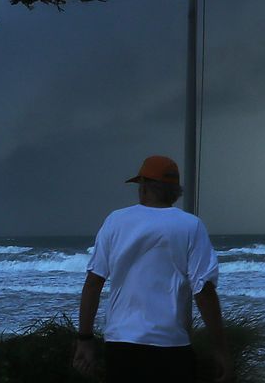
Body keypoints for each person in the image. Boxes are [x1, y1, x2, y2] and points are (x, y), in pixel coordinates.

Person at [73, 155, 231, 383]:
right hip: (171, 347)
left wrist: (85, 339)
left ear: (144, 187)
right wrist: (220, 349)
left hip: (121, 346)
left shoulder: (116, 221)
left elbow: (93, 282)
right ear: (175, 191)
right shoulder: (191, 225)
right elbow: (204, 291)